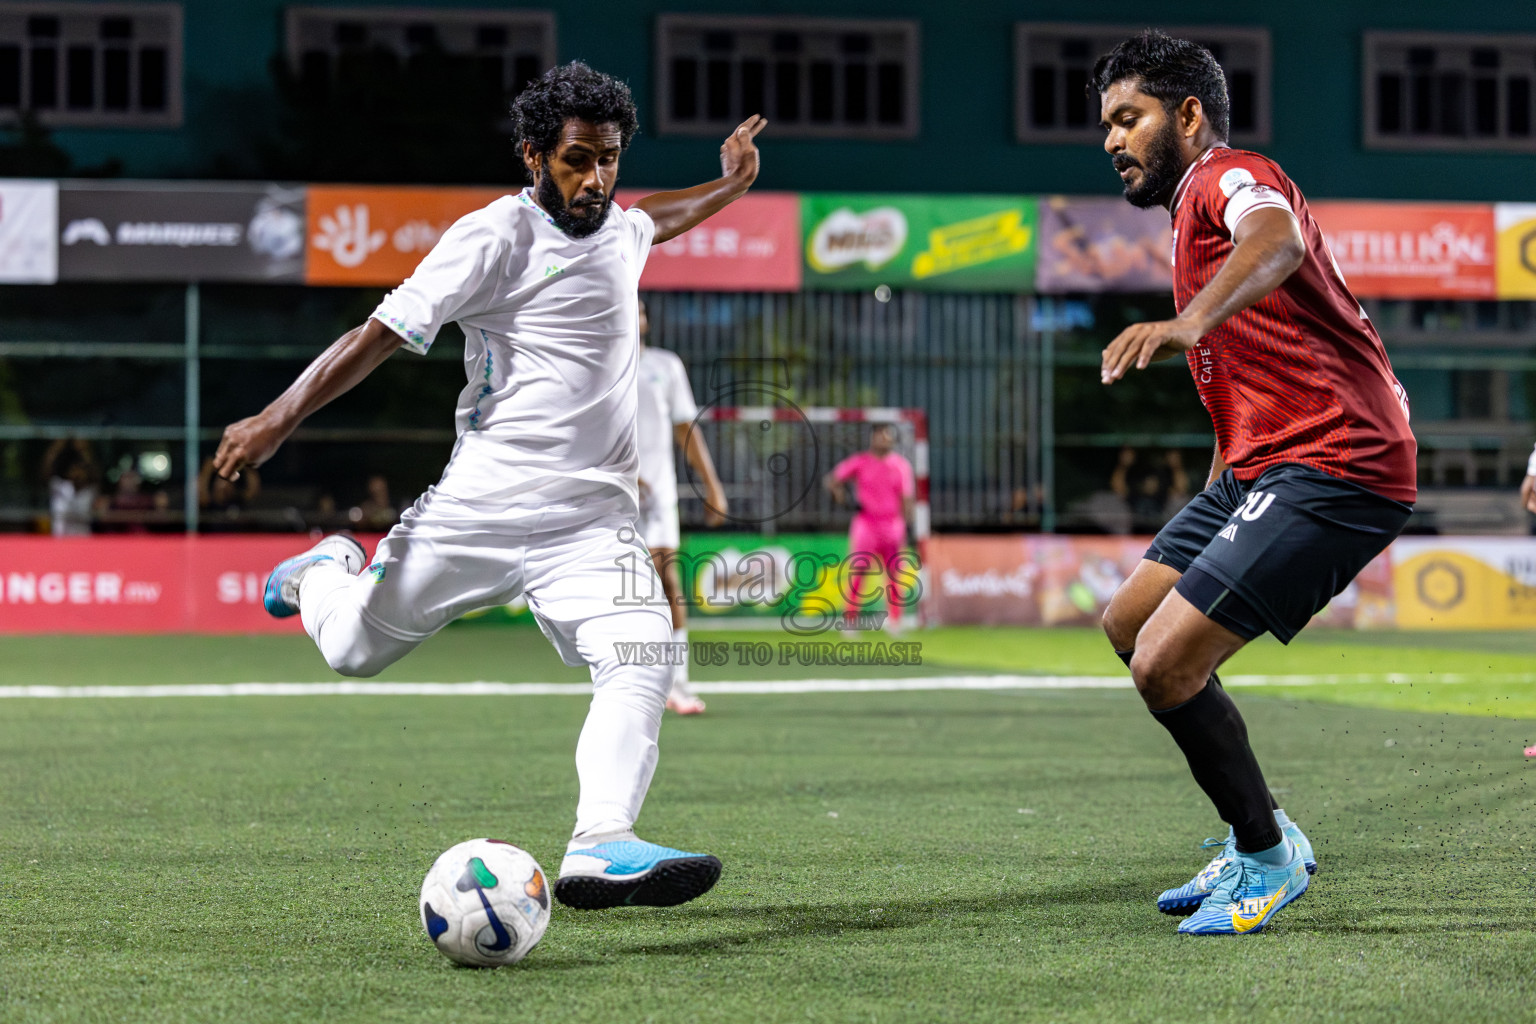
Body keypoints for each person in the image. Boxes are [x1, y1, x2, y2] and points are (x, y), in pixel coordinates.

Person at [212, 63, 767, 911]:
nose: (596, 179)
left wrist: (728, 186)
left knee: (642, 651)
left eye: (609, 159)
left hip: (591, 523)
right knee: (353, 652)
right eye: (577, 160)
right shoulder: (493, 236)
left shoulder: (621, 230)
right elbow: (381, 333)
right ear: (533, 155)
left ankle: (601, 843)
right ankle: (323, 569)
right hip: (483, 505)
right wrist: (276, 419)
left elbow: (660, 217)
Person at [1092, 31, 1416, 936]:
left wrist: (1186, 321)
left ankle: (1266, 860)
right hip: (1259, 466)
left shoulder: (1232, 175)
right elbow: (1252, 367)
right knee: (1127, 625)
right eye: (1107, 125)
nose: (1113, 140)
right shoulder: (1190, 210)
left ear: (1188, 116)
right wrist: (1220, 482)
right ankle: (1264, 833)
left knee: (1165, 663)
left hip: (1340, 460)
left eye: (1130, 118)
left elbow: (1274, 239)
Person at [635, 299, 727, 715]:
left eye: (640, 310)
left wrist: (712, 486)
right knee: (620, 594)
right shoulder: (596, 362)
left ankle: (679, 684)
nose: (634, 316)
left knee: (669, 582)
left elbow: (685, 429)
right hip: (609, 497)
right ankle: (630, 683)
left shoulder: (665, 365)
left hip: (659, 498)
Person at [823, 424, 916, 632]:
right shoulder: (860, 461)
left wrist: (908, 525)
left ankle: (895, 621)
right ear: (873, 438)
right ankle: (850, 620)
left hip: (893, 524)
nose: (886, 440)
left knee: (894, 575)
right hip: (866, 524)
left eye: (889, 437)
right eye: (882, 436)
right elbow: (832, 480)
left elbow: (907, 498)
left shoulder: (901, 466)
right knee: (857, 573)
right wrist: (843, 499)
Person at [42, 437, 99, 536]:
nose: (77, 473)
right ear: (68, 472)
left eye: (80, 469)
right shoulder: (58, 486)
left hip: (83, 539)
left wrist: (84, 450)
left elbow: (94, 473)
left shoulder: (90, 490)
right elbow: (46, 471)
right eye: (74, 469)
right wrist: (57, 446)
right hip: (60, 539)